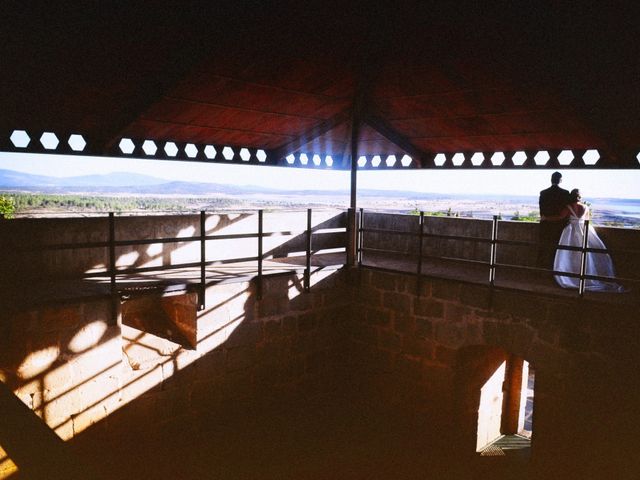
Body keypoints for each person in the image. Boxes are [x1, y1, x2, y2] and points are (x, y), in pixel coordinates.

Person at [553, 189, 625, 292]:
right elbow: (587, 220)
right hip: (584, 230)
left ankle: (570, 275)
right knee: (586, 253)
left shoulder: (568, 207)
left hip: (571, 230)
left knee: (569, 253)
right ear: (580, 197)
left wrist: (547, 218)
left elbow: (561, 217)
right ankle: (586, 275)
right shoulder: (585, 207)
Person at [537, 171, 570, 269]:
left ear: (551, 180)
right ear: (560, 180)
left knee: (543, 248)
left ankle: (539, 269)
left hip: (545, 224)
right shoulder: (565, 193)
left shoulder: (543, 193)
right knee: (556, 249)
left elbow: (541, 209)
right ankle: (554, 270)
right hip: (559, 225)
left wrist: (546, 218)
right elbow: (565, 210)